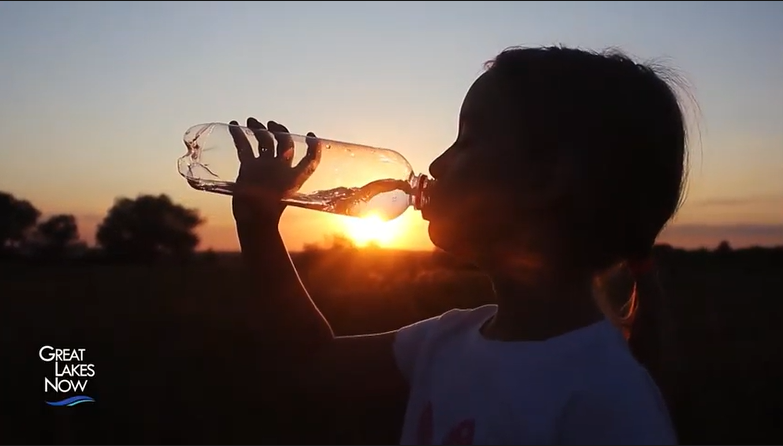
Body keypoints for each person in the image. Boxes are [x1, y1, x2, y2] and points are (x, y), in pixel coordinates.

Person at [226, 45, 689, 444]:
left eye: (466, 142)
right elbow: (311, 362)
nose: (436, 163)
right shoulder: (446, 341)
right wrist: (259, 226)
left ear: (549, 179)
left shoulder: (608, 401)